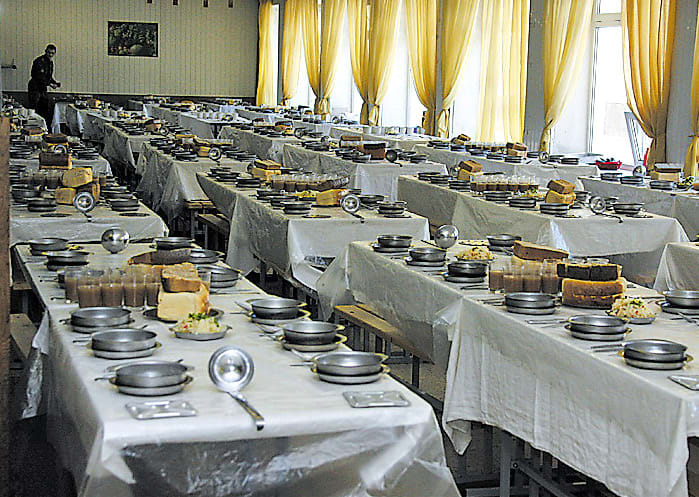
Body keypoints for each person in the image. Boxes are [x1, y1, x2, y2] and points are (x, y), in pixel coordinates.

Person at [27, 44, 60, 129]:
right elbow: (38, 76)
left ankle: (43, 128)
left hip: (42, 88)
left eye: (52, 53)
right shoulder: (39, 61)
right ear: (45, 51)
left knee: (45, 109)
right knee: (34, 110)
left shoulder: (50, 63)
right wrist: (50, 84)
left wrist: (55, 82)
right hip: (35, 88)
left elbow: (48, 76)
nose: (50, 55)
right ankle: (33, 129)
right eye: (49, 52)